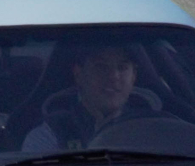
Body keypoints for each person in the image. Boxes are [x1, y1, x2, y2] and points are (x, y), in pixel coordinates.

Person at [18, 40, 160, 156]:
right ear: (79, 74)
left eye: (122, 68)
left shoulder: (154, 127)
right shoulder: (51, 134)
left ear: (134, 76)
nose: (114, 77)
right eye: (101, 67)